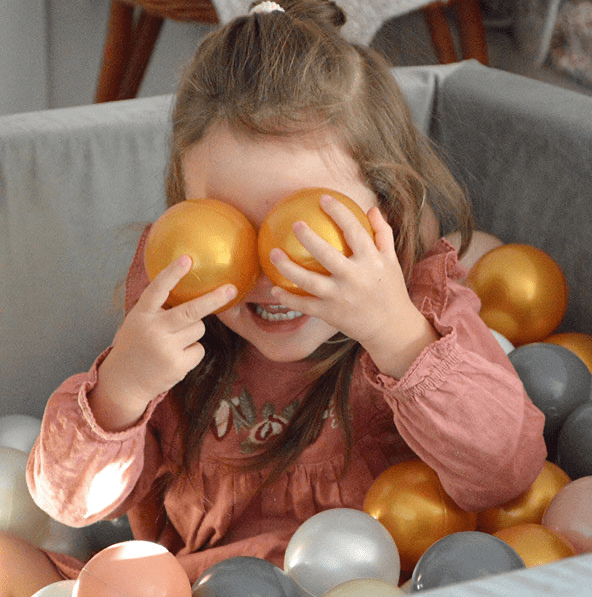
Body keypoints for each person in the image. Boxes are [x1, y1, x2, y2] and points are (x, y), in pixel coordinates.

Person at [1, 1, 547, 595]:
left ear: (385, 212)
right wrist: (121, 390)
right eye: (226, 230)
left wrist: (396, 335)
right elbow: (67, 505)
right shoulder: (179, 310)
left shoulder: (422, 305)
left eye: (306, 231)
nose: (271, 274)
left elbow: (505, 474)